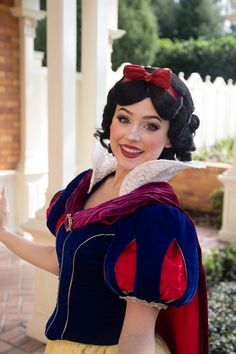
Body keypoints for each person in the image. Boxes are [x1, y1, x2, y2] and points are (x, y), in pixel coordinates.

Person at [0, 64, 209, 354]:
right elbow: (63, 261)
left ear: (170, 136)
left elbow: (137, 340)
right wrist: (4, 234)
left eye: (150, 125)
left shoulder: (156, 219)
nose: (132, 136)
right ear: (111, 122)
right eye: (124, 118)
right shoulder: (88, 184)